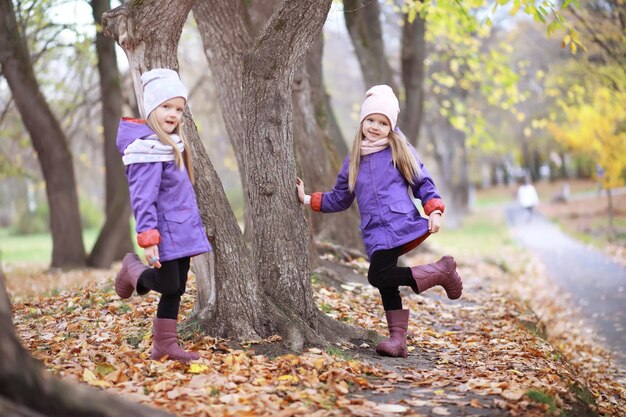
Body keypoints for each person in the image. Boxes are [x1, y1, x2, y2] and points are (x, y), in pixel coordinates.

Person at [296, 85, 462, 358]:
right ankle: (398, 340)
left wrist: (434, 210)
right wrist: (306, 199)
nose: (375, 126)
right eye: (371, 120)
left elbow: (423, 182)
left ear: (391, 127)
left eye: (383, 123)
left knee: (377, 275)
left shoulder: (399, 151)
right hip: (374, 231)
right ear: (362, 121)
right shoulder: (354, 160)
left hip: (399, 223)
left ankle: (441, 271)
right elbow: (340, 198)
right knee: (386, 282)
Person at [114, 68, 211, 362]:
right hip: (164, 231)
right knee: (168, 284)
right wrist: (148, 239)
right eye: (166, 106)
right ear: (152, 107)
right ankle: (131, 269)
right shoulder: (147, 150)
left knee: (177, 288)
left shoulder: (171, 145)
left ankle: (164, 344)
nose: (173, 114)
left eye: (179, 109)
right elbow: (143, 199)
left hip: (182, 228)